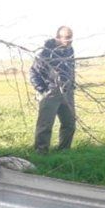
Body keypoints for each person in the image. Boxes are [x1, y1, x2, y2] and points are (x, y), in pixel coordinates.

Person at [30, 26, 75, 154]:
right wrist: (43, 90)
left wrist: (72, 86)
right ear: (57, 38)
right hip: (50, 93)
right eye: (66, 37)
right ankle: (41, 152)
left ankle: (64, 151)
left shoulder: (70, 51)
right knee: (45, 125)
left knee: (69, 124)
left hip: (67, 92)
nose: (70, 40)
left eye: (71, 37)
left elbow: (71, 70)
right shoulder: (46, 53)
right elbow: (33, 72)